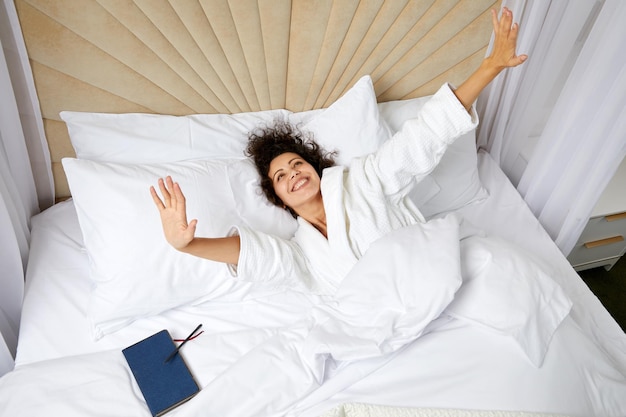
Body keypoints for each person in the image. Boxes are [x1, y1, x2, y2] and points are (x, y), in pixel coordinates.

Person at [150, 7, 527, 294]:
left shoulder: (365, 181)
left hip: (436, 281)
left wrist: (490, 68)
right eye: (280, 177)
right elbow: (256, 256)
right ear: (279, 199)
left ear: (315, 169)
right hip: (387, 322)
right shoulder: (303, 252)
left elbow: (423, 136)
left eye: (296, 164)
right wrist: (189, 244)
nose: (293, 174)